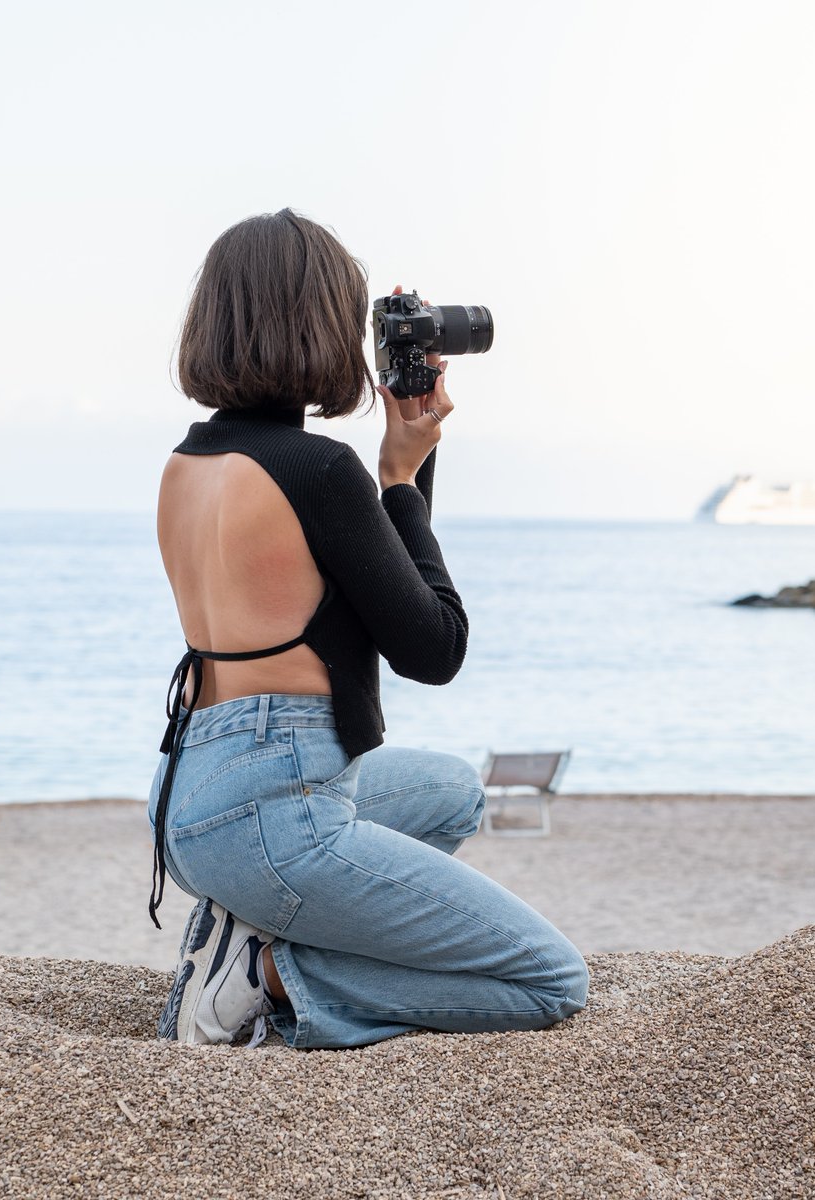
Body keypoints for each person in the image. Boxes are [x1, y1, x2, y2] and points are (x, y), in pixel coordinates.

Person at [146, 209, 589, 1050]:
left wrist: (399, 476)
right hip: (274, 811)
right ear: (317, 322)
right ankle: (267, 976)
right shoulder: (321, 472)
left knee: (453, 790)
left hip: (189, 797)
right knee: (550, 979)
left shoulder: (185, 464)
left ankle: (251, 923)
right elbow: (434, 648)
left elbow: (367, 593)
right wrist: (397, 477)